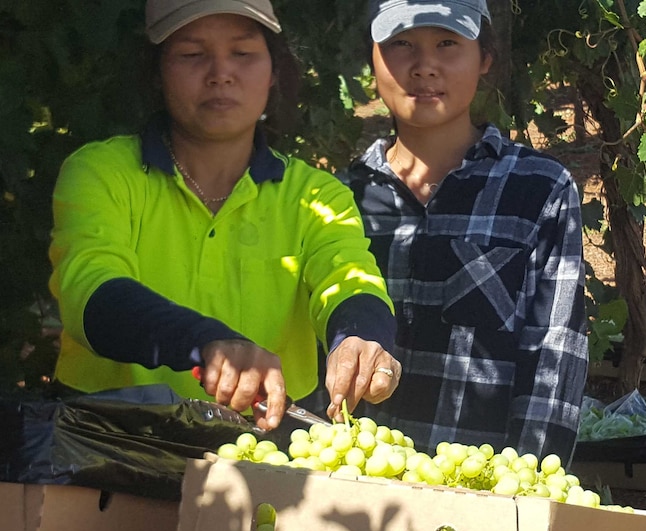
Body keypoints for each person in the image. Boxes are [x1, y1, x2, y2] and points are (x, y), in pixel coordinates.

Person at [48, 0, 401, 431]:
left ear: (273, 72)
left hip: (263, 449)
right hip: (110, 445)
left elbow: (349, 278)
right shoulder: (101, 174)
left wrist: (359, 337)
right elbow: (91, 292)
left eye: (243, 53)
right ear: (156, 72)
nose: (220, 73)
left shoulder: (316, 196)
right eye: (192, 54)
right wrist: (204, 343)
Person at [345, 0, 589, 466]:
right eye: (401, 44)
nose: (425, 66)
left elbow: (554, 357)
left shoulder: (538, 189)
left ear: (485, 58)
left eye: (447, 44)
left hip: (481, 499)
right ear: (372, 58)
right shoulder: (341, 199)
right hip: (353, 491)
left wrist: (524, 497)